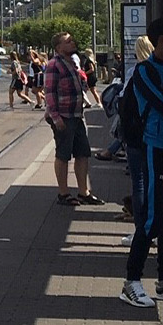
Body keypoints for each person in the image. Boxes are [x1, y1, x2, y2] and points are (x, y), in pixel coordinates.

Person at [121, 21, 163, 308]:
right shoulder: (145, 71)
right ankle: (131, 280)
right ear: (158, 42)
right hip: (156, 147)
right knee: (152, 218)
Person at [42, 31, 100, 206]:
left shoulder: (73, 63)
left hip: (76, 115)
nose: (73, 43)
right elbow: (50, 93)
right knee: (63, 154)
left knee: (83, 153)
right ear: (59, 47)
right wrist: (56, 117)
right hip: (63, 116)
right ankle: (64, 193)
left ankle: (84, 192)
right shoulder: (54, 65)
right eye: (68, 41)